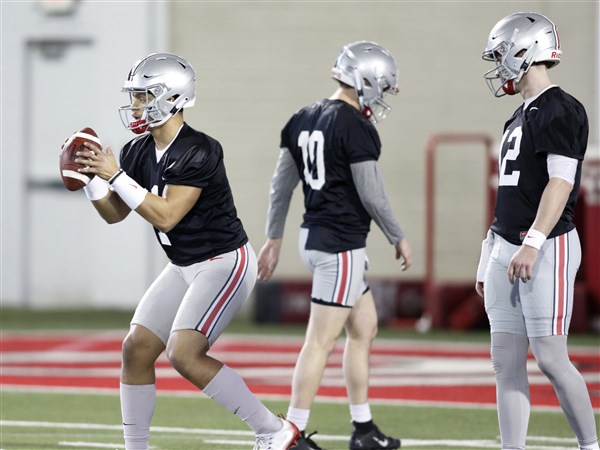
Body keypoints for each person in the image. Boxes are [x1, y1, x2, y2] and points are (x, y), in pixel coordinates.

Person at [73, 52, 299, 450]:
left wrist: (117, 177)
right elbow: (115, 214)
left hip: (223, 262)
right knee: (136, 350)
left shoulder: (200, 149)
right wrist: (92, 182)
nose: (137, 105)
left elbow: (167, 216)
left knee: (185, 354)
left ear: (171, 96)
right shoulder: (138, 150)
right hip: (183, 265)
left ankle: (273, 430)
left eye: (144, 96)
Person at [257, 41, 412, 450]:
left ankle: (362, 429)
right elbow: (372, 194)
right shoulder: (355, 127)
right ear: (364, 80)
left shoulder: (301, 118)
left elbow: (281, 186)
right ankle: (289, 434)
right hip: (340, 245)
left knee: (364, 327)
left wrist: (273, 238)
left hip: (315, 238)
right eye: (380, 85)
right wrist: (398, 236)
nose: (381, 95)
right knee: (320, 342)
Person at [476, 13, 599, 450]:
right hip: (506, 246)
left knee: (550, 357)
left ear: (523, 50)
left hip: (546, 247)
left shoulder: (560, 108)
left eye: (500, 54)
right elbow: (511, 193)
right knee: (505, 363)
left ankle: (591, 445)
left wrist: (531, 242)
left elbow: (561, 183)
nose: (497, 64)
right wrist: (490, 247)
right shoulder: (519, 114)